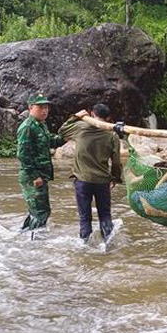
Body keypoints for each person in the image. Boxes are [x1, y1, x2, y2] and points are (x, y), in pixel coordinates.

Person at [58, 103, 122, 241]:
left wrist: (77, 116)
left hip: (82, 180)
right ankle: (108, 244)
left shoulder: (80, 128)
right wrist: (115, 178)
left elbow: (62, 131)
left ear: (92, 114)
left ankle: (85, 245)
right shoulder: (112, 135)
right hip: (102, 181)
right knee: (105, 215)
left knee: (85, 217)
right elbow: (116, 161)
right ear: (108, 117)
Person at [17, 93, 65, 231]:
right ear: (31, 107)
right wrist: (35, 177)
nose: (45, 110)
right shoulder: (28, 127)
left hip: (41, 175)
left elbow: (49, 141)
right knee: (41, 211)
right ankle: (36, 242)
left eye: (46, 107)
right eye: (40, 107)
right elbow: (23, 155)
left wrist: (65, 138)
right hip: (32, 177)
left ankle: (25, 235)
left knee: (39, 210)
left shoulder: (40, 125)